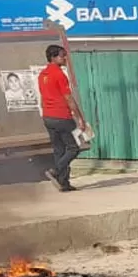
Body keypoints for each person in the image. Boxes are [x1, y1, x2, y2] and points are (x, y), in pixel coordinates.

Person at [37, 44, 87, 192]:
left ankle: (63, 183)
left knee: (59, 149)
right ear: (53, 57)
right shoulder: (59, 74)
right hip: (62, 116)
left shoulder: (42, 75)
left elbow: (42, 97)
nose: (65, 58)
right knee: (74, 148)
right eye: (62, 55)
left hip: (48, 117)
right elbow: (69, 99)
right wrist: (80, 118)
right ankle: (56, 171)